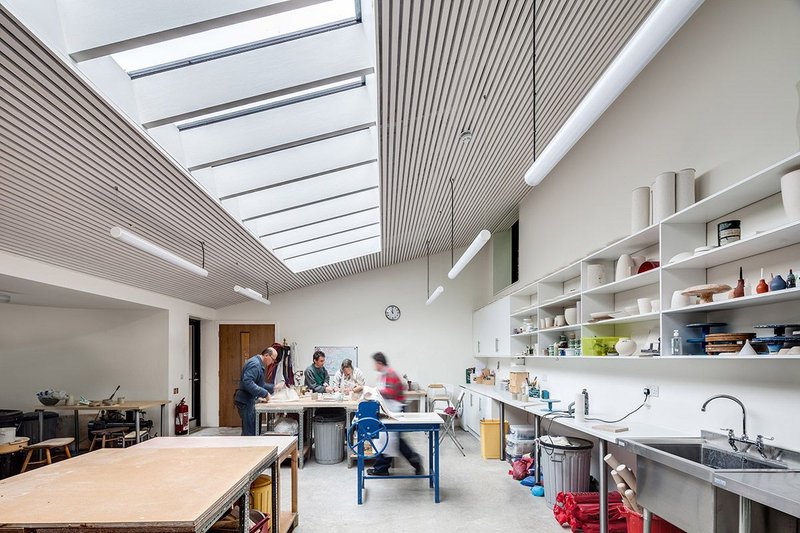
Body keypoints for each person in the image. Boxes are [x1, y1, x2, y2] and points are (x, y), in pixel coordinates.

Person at [368, 352, 423, 476]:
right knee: (389, 440)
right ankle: (383, 467)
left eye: (374, 363)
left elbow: (391, 392)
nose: (374, 365)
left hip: (395, 411)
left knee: (389, 439)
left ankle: (383, 468)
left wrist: (375, 391)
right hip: (390, 410)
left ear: (379, 363)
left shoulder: (390, 373)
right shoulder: (384, 374)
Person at [234, 347, 280, 436]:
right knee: (250, 433)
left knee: (253, 430)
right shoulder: (255, 364)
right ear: (266, 355)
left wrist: (274, 387)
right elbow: (248, 382)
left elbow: (259, 384)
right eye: (273, 359)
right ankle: (248, 449)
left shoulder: (258, 364)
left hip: (248, 400)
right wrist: (264, 393)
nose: (273, 362)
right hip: (246, 401)